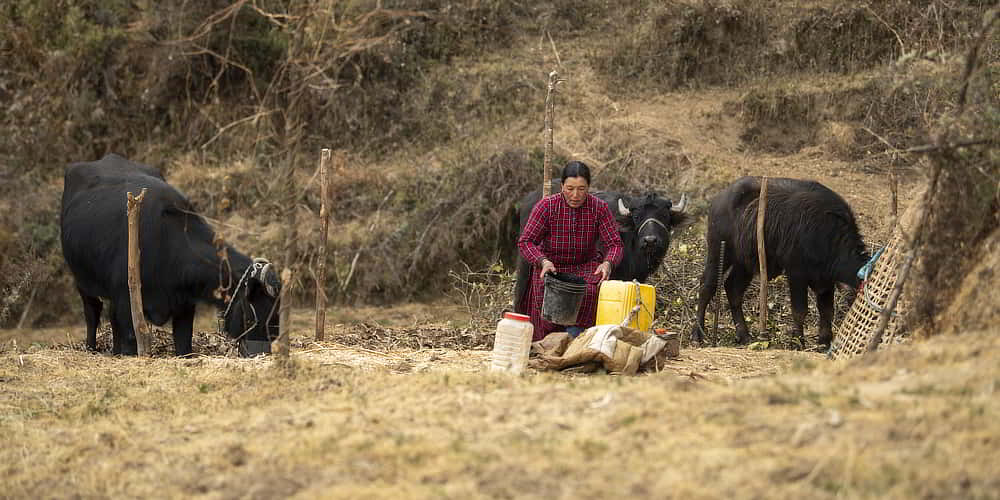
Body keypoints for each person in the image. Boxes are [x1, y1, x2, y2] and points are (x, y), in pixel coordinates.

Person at [517, 161, 624, 341]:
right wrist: (542, 261)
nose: (575, 195)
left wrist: (608, 263)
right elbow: (526, 242)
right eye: (570, 188)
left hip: (585, 267)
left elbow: (615, 244)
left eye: (581, 189)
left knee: (590, 292)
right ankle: (548, 342)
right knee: (548, 296)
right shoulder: (546, 206)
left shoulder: (599, 208)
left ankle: (578, 340)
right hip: (551, 267)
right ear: (562, 186)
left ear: (589, 187)